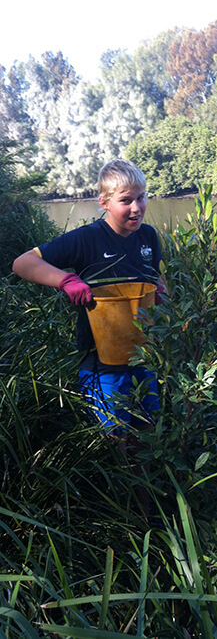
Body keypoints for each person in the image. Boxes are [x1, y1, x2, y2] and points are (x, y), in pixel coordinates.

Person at [12, 159, 167, 438]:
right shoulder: (87, 239)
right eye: (126, 200)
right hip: (102, 360)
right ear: (104, 202)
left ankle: (143, 482)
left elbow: (156, 277)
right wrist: (66, 280)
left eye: (141, 198)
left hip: (144, 356)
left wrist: (160, 293)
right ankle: (119, 481)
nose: (136, 208)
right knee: (114, 437)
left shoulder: (148, 236)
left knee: (148, 430)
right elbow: (22, 263)